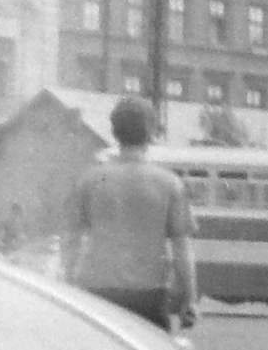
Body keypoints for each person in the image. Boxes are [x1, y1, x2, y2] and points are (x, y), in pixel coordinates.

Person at [64, 95, 198, 330]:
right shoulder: (169, 184)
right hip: (149, 294)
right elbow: (181, 248)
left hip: (98, 289)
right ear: (151, 133)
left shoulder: (89, 180)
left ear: (115, 132)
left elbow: (71, 241)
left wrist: (67, 284)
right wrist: (189, 299)